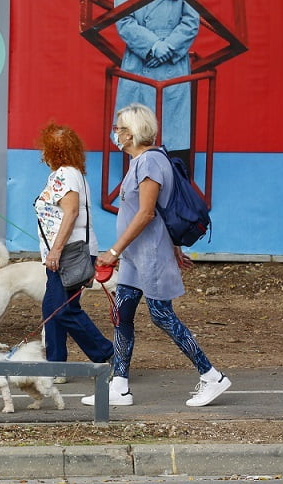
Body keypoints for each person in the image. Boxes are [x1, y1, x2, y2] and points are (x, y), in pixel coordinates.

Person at [84, 103, 231, 408]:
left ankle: (211, 375)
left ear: (132, 133)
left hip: (148, 256)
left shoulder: (149, 163)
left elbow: (147, 213)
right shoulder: (144, 161)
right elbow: (162, 211)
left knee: (162, 316)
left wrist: (113, 251)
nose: (115, 134)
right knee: (122, 315)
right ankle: (120, 385)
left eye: (119, 128)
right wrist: (174, 248)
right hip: (137, 258)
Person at [114, 0, 200, 167]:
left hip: (172, 66)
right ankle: (136, 187)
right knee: (136, 129)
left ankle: (173, 189)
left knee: (173, 132)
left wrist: (166, 50)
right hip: (139, 63)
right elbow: (125, 23)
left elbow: (191, 22)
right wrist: (153, 47)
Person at [33, 123, 114, 370]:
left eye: (45, 148)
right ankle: (55, 365)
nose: (42, 153)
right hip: (68, 252)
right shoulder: (72, 174)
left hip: (67, 253)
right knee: (54, 307)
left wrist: (56, 251)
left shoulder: (65, 175)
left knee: (60, 309)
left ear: (53, 151)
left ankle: (108, 354)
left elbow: (71, 213)